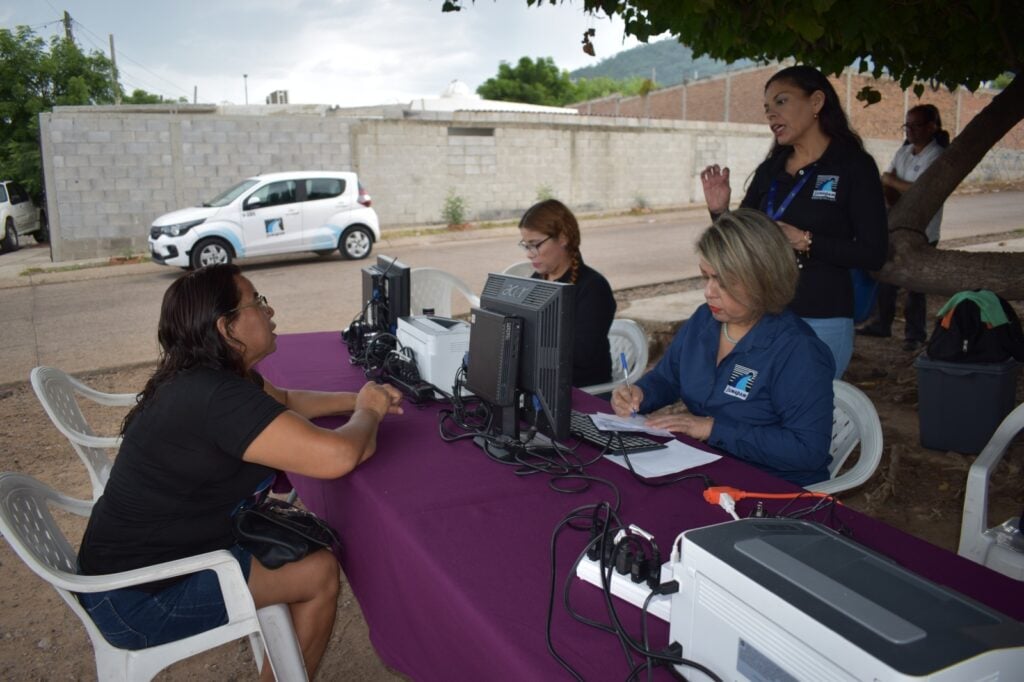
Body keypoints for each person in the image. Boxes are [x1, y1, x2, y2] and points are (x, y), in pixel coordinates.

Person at [76, 264, 403, 680]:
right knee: (316, 572)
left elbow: (283, 399)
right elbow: (338, 456)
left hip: (128, 572)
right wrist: (368, 412)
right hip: (136, 600)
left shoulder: (206, 376)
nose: (268, 311)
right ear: (226, 326)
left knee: (303, 556)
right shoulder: (216, 397)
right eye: (257, 302)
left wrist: (356, 399)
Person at [612, 209, 835, 486]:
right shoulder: (704, 320)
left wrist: (711, 428)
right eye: (705, 277)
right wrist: (641, 394)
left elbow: (807, 450)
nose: (708, 291)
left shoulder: (798, 351)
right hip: (706, 469)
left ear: (763, 279)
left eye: (723, 281)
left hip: (771, 489)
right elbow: (668, 378)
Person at [700, 65, 888, 378]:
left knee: (803, 412)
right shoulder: (771, 169)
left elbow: (874, 253)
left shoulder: (853, 166)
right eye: (767, 108)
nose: (771, 114)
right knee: (753, 406)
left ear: (816, 102)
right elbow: (743, 241)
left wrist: (806, 241)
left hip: (822, 316)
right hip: (763, 313)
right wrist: (720, 212)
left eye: (781, 102)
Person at [858, 104, 950, 351]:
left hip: (924, 231)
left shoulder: (937, 155)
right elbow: (888, 181)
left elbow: (920, 191)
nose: (910, 130)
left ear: (932, 127)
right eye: (907, 125)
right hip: (897, 225)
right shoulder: (904, 152)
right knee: (887, 277)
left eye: (916, 125)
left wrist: (893, 182)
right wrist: (894, 185)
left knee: (915, 287)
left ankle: (915, 334)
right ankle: (882, 324)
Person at [517, 198, 617, 388]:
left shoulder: (593, 288)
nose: (529, 253)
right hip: (543, 382)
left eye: (535, 244)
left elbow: (581, 354)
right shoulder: (537, 280)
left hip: (583, 390)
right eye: (525, 245)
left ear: (563, 238)